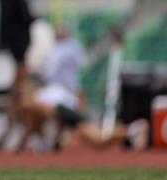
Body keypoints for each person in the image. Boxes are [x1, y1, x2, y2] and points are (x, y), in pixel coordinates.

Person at [15, 24, 149, 152]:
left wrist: (58, 135)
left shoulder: (37, 100)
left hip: (70, 114)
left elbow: (51, 114)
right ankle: (133, 129)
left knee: (99, 139)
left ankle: (135, 128)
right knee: (99, 142)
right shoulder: (44, 94)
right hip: (68, 112)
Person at [1, 0, 35, 134]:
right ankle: (15, 115)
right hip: (19, 46)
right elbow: (24, 19)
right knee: (20, 82)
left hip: (20, 46)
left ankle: (15, 115)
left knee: (21, 81)